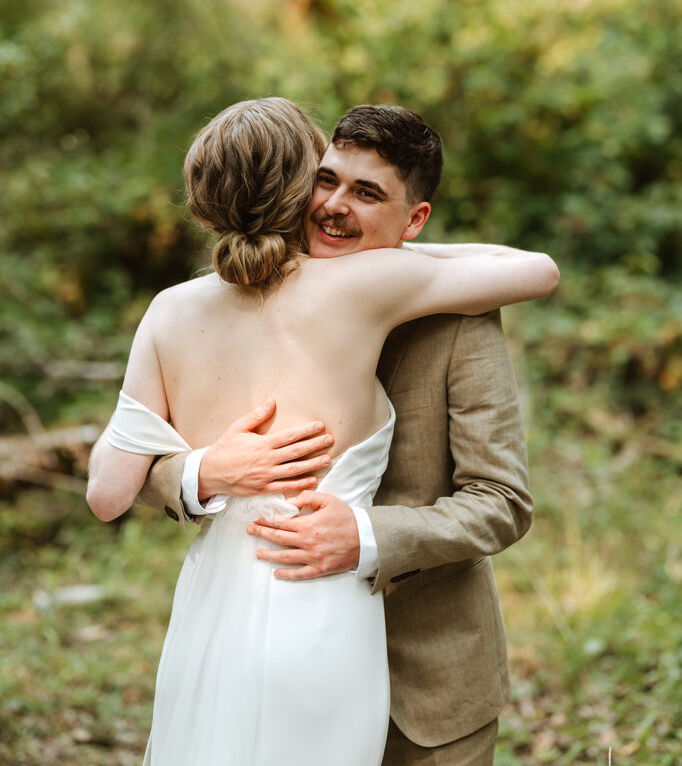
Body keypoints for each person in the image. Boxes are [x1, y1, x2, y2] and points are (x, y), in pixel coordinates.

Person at [87, 99, 558, 766]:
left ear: (415, 219)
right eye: (326, 180)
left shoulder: (457, 316)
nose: (335, 205)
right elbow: (539, 268)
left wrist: (365, 538)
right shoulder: (327, 290)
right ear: (296, 187)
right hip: (299, 636)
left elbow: (503, 502)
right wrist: (203, 473)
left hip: (428, 680)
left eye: (367, 194)